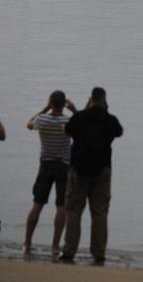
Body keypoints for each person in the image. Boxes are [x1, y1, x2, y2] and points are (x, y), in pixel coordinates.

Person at [59, 87, 123, 265]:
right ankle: (99, 252)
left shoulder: (80, 117)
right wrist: (105, 111)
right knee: (100, 213)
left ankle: (69, 251)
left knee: (74, 211)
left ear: (90, 99)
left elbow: (68, 131)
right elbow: (119, 132)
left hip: (78, 170)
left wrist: (85, 109)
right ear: (104, 100)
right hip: (102, 170)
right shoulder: (109, 119)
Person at [24, 91, 77, 255]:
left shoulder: (42, 119)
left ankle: (27, 242)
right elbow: (81, 127)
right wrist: (74, 110)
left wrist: (45, 108)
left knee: (37, 204)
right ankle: (55, 245)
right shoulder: (68, 121)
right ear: (64, 104)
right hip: (63, 166)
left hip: (45, 165)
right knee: (61, 206)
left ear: (50, 102)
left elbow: (29, 124)